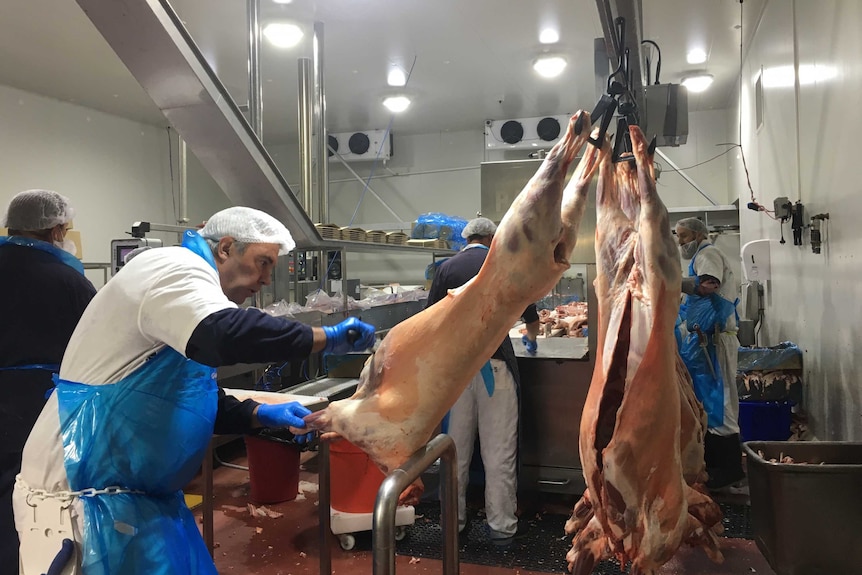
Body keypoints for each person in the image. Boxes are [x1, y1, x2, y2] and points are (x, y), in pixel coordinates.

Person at [12, 206, 376, 574]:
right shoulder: (173, 268)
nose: (266, 278)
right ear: (226, 248)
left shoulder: (195, 295)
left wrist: (259, 413)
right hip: (80, 499)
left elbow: (182, 400)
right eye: (262, 262)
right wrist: (323, 338)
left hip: (139, 502)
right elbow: (222, 334)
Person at [425, 216, 540, 547]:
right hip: (497, 370)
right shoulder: (504, 265)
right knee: (498, 452)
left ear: (467, 238)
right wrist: (531, 340)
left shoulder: (446, 269)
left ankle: (453, 522)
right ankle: (501, 526)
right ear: (492, 239)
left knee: (454, 451)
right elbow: (531, 318)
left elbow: (430, 320)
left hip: (457, 372)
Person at [0, 190, 97, 575]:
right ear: (57, 229)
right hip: (37, 408)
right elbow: (96, 350)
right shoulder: (69, 281)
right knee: (30, 497)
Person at [675, 216, 744, 491]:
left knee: (721, 402)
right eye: (678, 237)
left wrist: (668, 279)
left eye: (684, 236)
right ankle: (714, 465)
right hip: (703, 341)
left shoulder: (709, 253)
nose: (680, 242)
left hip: (715, 341)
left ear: (698, 234)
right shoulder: (699, 257)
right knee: (708, 404)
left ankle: (730, 469)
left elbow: (708, 285)